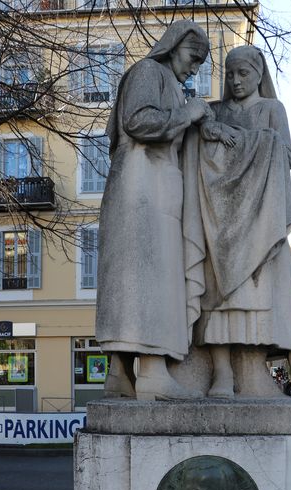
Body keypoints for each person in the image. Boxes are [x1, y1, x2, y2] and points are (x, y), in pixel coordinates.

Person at [183, 45, 291, 399]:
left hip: (262, 217)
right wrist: (207, 129)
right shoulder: (217, 112)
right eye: (230, 74)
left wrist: (249, 143)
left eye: (243, 73)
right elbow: (195, 141)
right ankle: (222, 375)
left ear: (259, 75)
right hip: (221, 219)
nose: (236, 81)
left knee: (280, 295)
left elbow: (285, 154)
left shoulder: (273, 109)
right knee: (218, 298)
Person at [96, 21, 212, 400]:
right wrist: (190, 112)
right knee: (150, 276)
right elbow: (139, 121)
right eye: (193, 57)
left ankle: (119, 374)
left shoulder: (162, 79)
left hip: (145, 189)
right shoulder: (149, 71)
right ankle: (152, 371)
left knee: (133, 277)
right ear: (173, 46)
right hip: (144, 190)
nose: (195, 67)